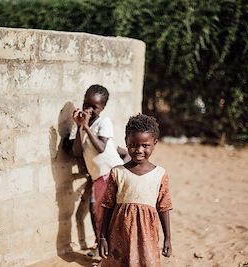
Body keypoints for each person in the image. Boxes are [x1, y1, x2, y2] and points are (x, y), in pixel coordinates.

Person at [99, 114, 172, 267]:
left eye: (145, 145)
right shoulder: (117, 172)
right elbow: (107, 206)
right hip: (119, 235)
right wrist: (103, 237)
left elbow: (164, 207)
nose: (139, 150)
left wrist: (168, 238)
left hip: (147, 237)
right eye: (133, 144)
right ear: (126, 142)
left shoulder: (160, 174)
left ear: (154, 143)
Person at [70, 84, 129, 252]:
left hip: (111, 173)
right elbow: (76, 152)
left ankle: (109, 250)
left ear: (102, 108)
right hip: (98, 178)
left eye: (94, 107)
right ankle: (102, 247)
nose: (88, 109)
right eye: (86, 104)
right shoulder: (83, 125)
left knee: (107, 214)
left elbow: (101, 147)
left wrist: (86, 127)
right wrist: (80, 126)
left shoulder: (104, 122)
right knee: (99, 213)